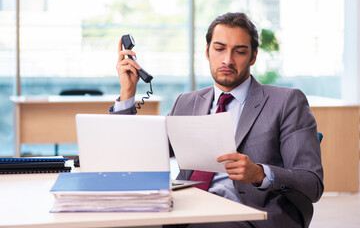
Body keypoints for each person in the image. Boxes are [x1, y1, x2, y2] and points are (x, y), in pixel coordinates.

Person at [109, 12, 324, 228]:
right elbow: (137, 156)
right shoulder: (186, 102)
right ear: (207, 51)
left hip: (250, 216)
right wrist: (128, 91)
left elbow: (311, 183)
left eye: (239, 52)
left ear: (253, 56)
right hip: (185, 211)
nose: (227, 60)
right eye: (219, 49)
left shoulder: (286, 101)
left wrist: (259, 173)